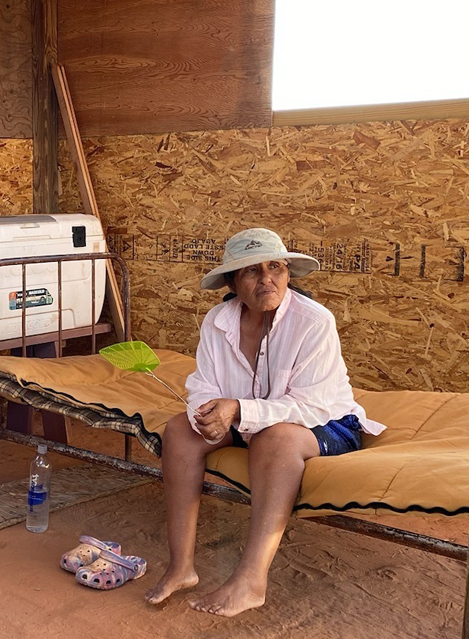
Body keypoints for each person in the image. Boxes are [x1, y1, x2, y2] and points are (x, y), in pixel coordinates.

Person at [145, 227, 384, 618]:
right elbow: (204, 386)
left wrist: (237, 410)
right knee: (180, 432)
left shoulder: (313, 322)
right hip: (248, 418)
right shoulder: (218, 321)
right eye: (252, 271)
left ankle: (250, 581)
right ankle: (181, 567)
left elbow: (310, 404)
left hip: (325, 422)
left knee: (273, 440)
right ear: (233, 283)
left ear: (288, 273)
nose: (266, 279)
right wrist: (207, 417)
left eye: (275, 267)